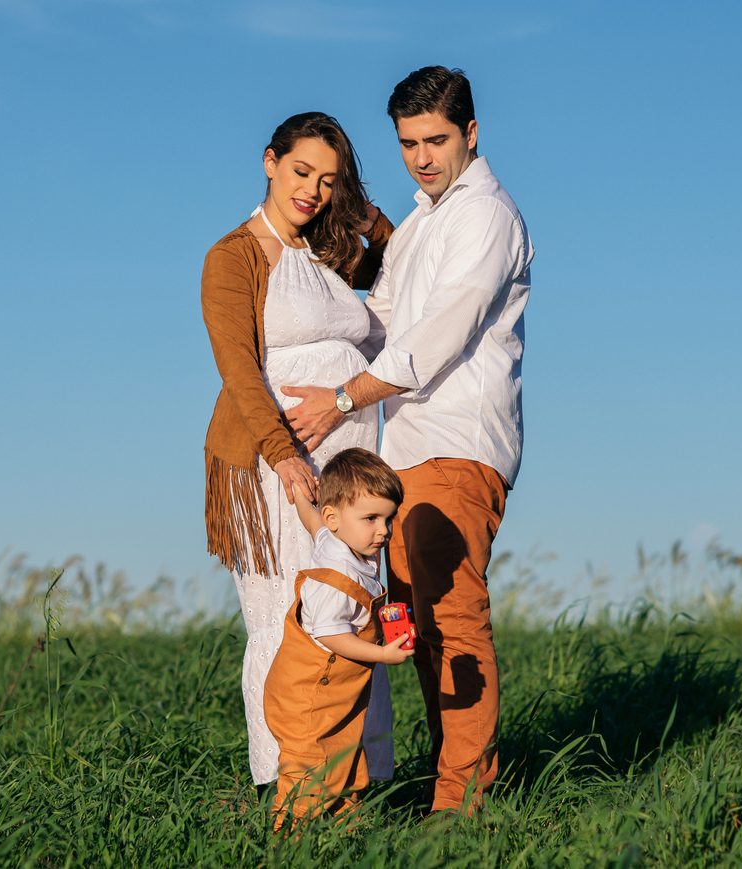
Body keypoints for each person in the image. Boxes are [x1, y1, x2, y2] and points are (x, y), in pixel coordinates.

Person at [283, 67, 533, 813]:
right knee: (412, 625)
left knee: (452, 618)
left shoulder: (485, 215)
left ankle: (462, 805)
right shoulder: (424, 221)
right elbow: (382, 325)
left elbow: (437, 336)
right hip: (406, 450)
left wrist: (340, 401)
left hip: (460, 442)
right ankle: (441, 787)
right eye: (408, 143)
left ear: (471, 134)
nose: (422, 157)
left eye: (436, 140)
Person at [200, 112, 396, 792]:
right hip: (274, 458)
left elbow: (399, 266)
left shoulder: (327, 252)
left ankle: (362, 781)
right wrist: (284, 454)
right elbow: (238, 368)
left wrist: (366, 216)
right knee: (285, 612)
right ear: (269, 162)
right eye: (301, 171)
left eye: (328, 180)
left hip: (346, 453)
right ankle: (280, 784)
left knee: (352, 606)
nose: (311, 190)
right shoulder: (234, 256)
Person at [264, 447, 414, 826]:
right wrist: (384, 655)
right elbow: (332, 636)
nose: (383, 530)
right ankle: (289, 838)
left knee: (343, 761)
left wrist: (301, 492)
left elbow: (312, 519)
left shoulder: (334, 540)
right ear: (336, 517)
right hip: (309, 697)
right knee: (308, 775)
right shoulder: (336, 577)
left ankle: (341, 831)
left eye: (389, 518)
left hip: (334, 696)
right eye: (371, 518)